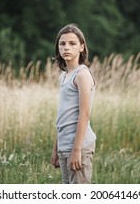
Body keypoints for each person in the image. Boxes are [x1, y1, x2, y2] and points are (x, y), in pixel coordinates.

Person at [51, 24, 96, 184]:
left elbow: (84, 114)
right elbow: (63, 114)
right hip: (64, 145)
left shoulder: (82, 74)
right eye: (62, 44)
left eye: (72, 43)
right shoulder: (64, 76)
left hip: (78, 146)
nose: (66, 48)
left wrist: (77, 150)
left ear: (81, 47)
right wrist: (56, 148)